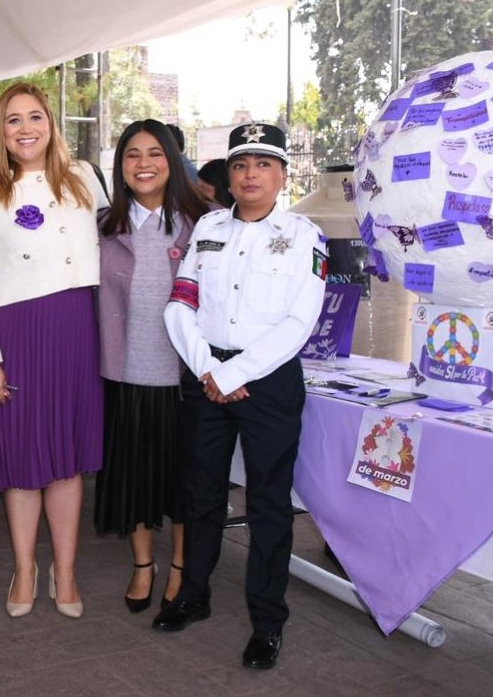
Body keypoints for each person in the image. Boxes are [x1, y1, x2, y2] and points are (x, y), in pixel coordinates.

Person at [156, 122, 327, 671]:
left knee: (270, 505)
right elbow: (179, 303)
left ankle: (268, 621)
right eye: (239, 165)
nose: (250, 174)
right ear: (227, 175)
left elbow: (301, 320)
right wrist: (209, 369)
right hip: (207, 375)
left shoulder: (305, 236)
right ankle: (194, 594)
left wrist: (239, 373)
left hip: (268, 380)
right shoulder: (207, 228)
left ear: (281, 174)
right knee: (200, 492)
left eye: (262, 164)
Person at [0, 82, 106, 620]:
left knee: (66, 461)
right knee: (22, 461)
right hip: (16, 333)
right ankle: (25, 567)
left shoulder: (85, 179)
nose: (25, 128)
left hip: (75, 331)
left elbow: (110, 247)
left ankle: (64, 570)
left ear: (50, 123)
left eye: (35, 117)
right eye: (13, 120)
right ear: (0, 132)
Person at [95, 119, 209, 615]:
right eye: (132, 155)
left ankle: (181, 566)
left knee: (181, 481)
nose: (144, 164)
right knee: (134, 480)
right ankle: (144, 565)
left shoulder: (205, 223)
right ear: (120, 167)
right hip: (124, 375)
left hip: (182, 378)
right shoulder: (103, 226)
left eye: (154, 153)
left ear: (173, 161)